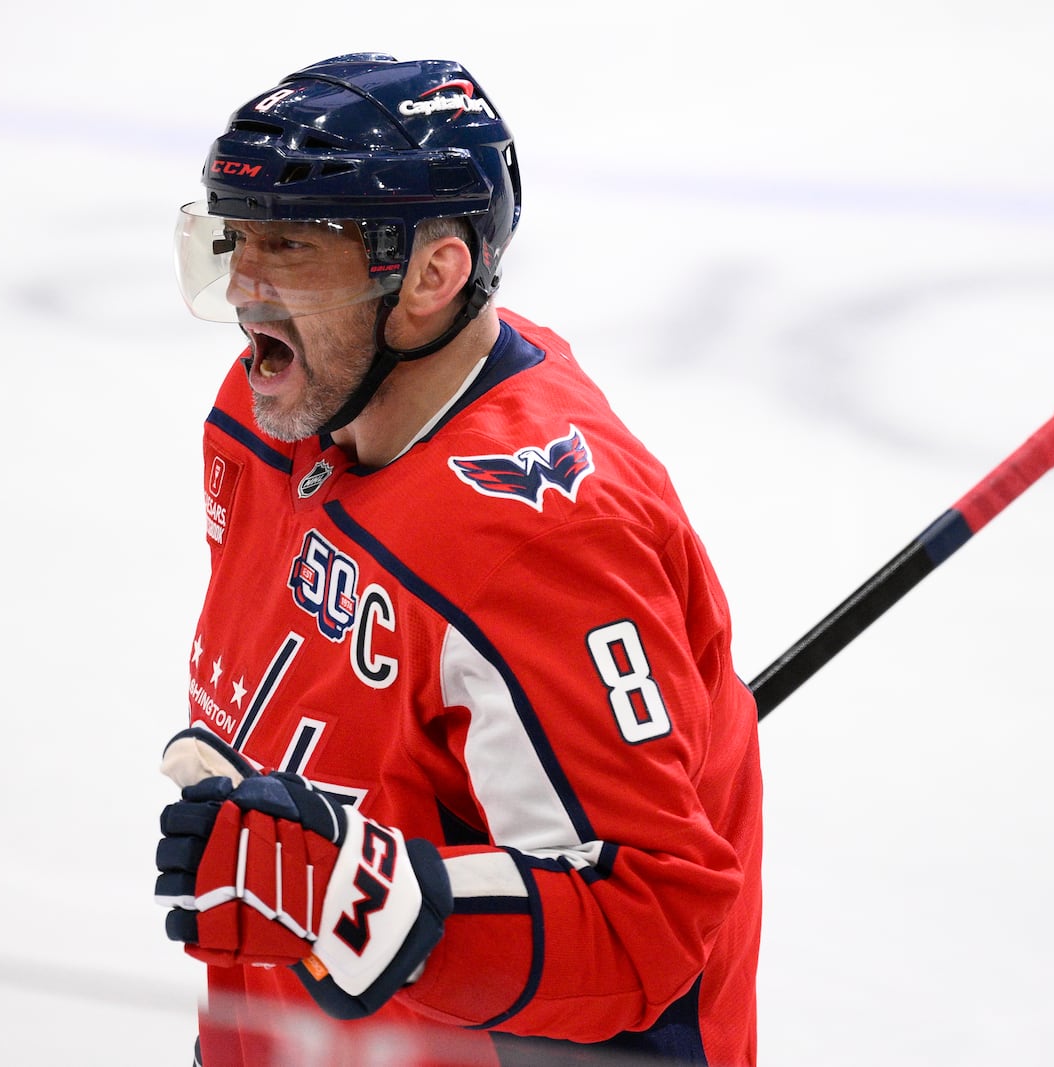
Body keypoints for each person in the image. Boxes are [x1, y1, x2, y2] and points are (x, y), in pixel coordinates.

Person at [155, 53, 762, 1067]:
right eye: (233, 239)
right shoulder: (269, 414)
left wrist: (368, 895)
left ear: (432, 275)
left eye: (292, 250)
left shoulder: (543, 535)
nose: (245, 291)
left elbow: (649, 914)